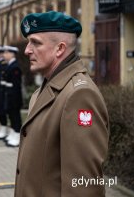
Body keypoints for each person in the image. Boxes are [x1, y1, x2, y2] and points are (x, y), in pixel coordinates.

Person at [15, 11, 109, 196]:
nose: (27, 50)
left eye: (35, 42)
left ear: (60, 49)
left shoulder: (79, 95)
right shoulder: (44, 90)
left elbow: (83, 184)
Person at [2, 45, 23, 147]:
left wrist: (14, 99)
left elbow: (16, 85)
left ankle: (18, 136)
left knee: (15, 116)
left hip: (14, 96)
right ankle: (13, 133)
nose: (4, 55)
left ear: (12, 54)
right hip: (9, 95)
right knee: (11, 116)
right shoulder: (9, 65)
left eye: (6, 53)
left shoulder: (15, 67)